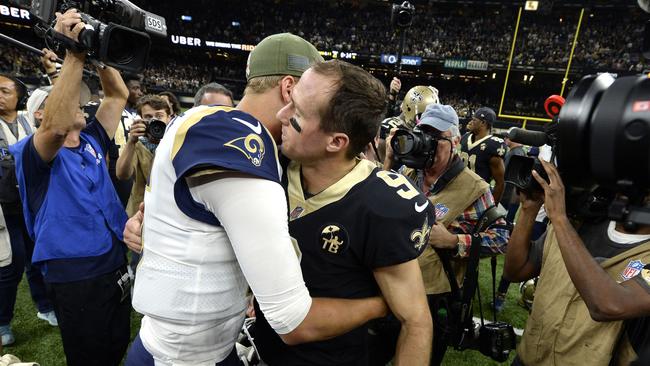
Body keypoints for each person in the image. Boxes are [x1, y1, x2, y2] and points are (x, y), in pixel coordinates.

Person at [124, 33, 388, 366]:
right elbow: (291, 319)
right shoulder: (239, 142)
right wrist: (383, 303)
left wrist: (147, 226)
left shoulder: (198, 119)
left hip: (198, 346)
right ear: (290, 88)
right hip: (183, 357)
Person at [252, 60, 434, 366]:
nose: (281, 115)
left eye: (296, 112)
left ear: (336, 141)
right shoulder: (266, 161)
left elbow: (415, 320)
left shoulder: (381, 207)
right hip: (259, 349)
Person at [9, 9, 131, 365]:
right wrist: (73, 52)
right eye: (61, 100)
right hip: (75, 270)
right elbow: (57, 128)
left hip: (112, 257)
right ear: (38, 117)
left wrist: (99, 51)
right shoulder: (32, 153)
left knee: (117, 340)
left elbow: (117, 96)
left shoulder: (92, 138)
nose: (76, 100)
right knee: (90, 355)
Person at [384, 103, 509, 366]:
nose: (425, 143)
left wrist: (454, 242)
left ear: (453, 141)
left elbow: (501, 238)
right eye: (422, 135)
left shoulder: (475, 187)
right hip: (389, 285)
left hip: (433, 298)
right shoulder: (408, 172)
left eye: (434, 138)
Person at [504, 159, 650, 365]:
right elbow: (515, 271)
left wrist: (559, 219)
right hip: (528, 358)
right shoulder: (578, 222)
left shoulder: (564, 222)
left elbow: (608, 306)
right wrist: (529, 209)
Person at [0, 73, 57, 347]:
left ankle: (44, 306)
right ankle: (3, 322)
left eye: (4, 91)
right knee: (12, 264)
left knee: (37, 258)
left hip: (31, 204)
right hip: (4, 207)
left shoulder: (27, 119)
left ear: (18, 96)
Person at [116, 95, 172, 217]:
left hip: (169, 213)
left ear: (169, 118)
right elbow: (122, 175)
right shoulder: (136, 145)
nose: (154, 120)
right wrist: (131, 141)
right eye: (148, 117)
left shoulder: (175, 144)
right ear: (141, 119)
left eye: (159, 116)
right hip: (140, 214)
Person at [459, 106, 506, 203]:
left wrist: (492, 207)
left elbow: (500, 183)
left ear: (483, 123)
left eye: (474, 120)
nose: (470, 122)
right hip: (458, 190)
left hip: (477, 197)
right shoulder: (465, 137)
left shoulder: (492, 145)